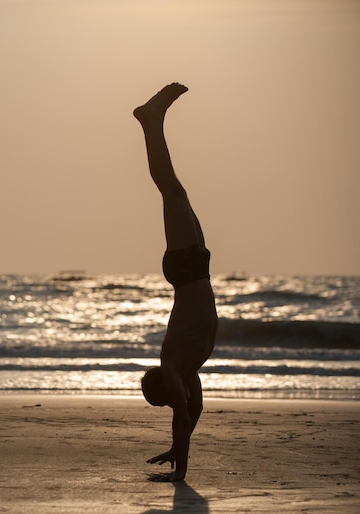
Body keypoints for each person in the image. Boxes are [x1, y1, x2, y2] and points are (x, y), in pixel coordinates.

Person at [134, 83, 218, 482]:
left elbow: (184, 414)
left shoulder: (173, 366)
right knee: (175, 190)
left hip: (186, 270)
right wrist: (176, 449)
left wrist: (179, 472)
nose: (174, 403)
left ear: (161, 387)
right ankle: (154, 121)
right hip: (195, 269)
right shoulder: (186, 372)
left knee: (170, 189)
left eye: (165, 400)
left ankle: (152, 121)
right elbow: (194, 412)